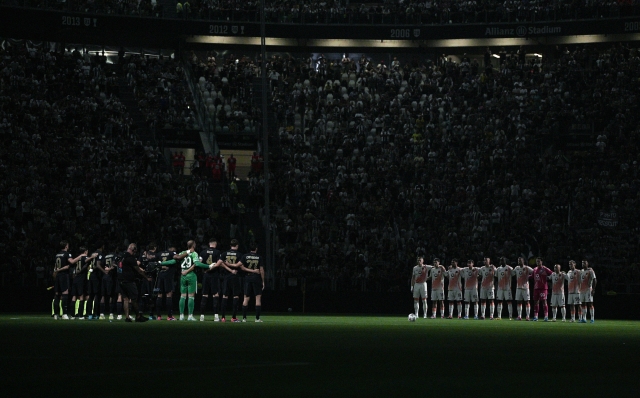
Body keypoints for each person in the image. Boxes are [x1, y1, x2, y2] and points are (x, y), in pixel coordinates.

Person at [161, 240, 215, 321]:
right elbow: (197, 264)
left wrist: (161, 263)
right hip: (191, 276)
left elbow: (173, 261)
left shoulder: (182, 252)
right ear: (193, 245)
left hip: (183, 275)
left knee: (182, 296)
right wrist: (208, 266)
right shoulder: (194, 253)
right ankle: (190, 316)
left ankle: (181, 315)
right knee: (191, 297)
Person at [117, 243, 151, 322]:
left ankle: (127, 317)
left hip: (121, 280)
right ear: (134, 250)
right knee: (134, 298)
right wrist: (146, 277)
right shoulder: (131, 258)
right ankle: (138, 316)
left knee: (125, 299)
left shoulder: (121, 256)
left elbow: (119, 267)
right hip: (128, 281)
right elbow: (138, 270)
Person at [232, 243, 264, 322]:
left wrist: (227, 263)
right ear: (256, 249)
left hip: (247, 278)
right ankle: (257, 318)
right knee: (258, 298)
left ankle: (244, 318)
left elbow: (240, 266)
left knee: (246, 298)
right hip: (256, 278)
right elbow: (262, 270)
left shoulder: (245, 256)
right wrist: (263, 281)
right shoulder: (259, 257)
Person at [52, 240, 83, 320]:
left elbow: (55, 266)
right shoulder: (67, 254)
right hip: (63, 275)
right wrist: (80, 256)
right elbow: (72, 261)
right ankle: (64, 314)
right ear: (66, 246)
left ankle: (55, 314)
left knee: (57, 294)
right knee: (65, 293)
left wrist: (55, 273)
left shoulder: (57, 254)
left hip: (58, 275)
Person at [217, 239, 243, 322]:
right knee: (235, 296)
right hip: (235, 276)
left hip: (226, 277)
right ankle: (233, 317)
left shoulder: (224, 253)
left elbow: (220, 263)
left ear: (230, 245)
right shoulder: (239, 254)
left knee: (225, 296)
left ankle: (223, 317)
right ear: (237, 246)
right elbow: (239, 265)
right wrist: (232, 270)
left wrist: (227, 267)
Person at [199, 238, 221, 321]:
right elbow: (218, 264)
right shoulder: (217, 252)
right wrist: (210, 268)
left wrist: (205, 269)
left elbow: (199, 263)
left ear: (209, 244)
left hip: (206, 275)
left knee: (204, 295)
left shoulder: (203, 252)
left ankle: (202, 316)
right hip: (214, 275)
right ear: (215, 244)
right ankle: (216, 316)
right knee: (215, 295)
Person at [155, 245, 178, 320]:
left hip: (160, 276)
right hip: (168, 276)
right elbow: (175, 260)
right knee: (169, 295)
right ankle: (169, 316)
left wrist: (161, 265)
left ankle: (158, 316)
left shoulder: (159, 254)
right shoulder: (172, 254)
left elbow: (155, 263)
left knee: (159, 295)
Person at [85, 244, 105, 320]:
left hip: (91, 276)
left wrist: (90, 269)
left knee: (91, 296)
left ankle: (89, 314)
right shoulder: (100, 254)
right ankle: (96, 314)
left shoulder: (92, 254)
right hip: (97, 277)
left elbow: (87, 263)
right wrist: (104, 272)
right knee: (97, 296)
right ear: (102, 246)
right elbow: (98, 265)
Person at [532, 257, 553, 321]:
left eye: (539, 261)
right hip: (536, 288)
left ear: (541, 262)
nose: (537, 262)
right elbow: (532, 276)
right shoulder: (535, 269)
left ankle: (546, 316)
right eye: (537, 261)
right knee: (536, 302)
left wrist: (549, 278)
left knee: (544, 301)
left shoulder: (545, 269)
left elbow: (552, 273)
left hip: (543, 288)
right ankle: (536, 316)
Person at [100, 247, 118, 320]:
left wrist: (105, 270)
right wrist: (109, 269)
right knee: (112, 296)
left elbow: (101, 265)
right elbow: (114, 265)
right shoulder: (114, 256)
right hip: (111, 277)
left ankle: (101, 314)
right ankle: (111, 313)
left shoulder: (105, 256)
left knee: (103, 295)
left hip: (104, 276)